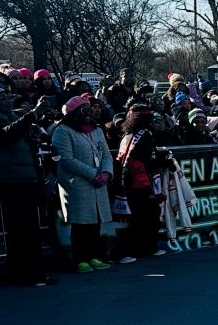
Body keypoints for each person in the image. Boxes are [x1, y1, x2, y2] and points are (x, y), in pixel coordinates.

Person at [0, 84, 57, 285]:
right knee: (22, 231)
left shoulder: (14, 120)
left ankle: (24, 273)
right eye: (2, 98)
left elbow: (21, 139)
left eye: (8, 97)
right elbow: (7, 136)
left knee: (28, 230)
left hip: (25, 180)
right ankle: (28, 274)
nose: (8, 100)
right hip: (9, 182)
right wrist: (32, 114)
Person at [53, 96, 113, 272]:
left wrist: (106, 173)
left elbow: (107, 155)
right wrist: (93, 174)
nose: (89, 113)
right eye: (85, 110)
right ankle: (81, 258)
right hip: (77, 182)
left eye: (90, 109)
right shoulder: (63, 131)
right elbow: (66, 158)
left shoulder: (97, 131)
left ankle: (95, 255)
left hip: (99, 182)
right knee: (81, 223)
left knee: (96, 221)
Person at [113, 103, 166, 262]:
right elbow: (147, 160)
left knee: (142, 216)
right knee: (143, 217)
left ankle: (146, 249)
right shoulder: (146, 134)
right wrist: (164, 162)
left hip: (127, 180)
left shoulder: (127, 135)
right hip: (140, 182)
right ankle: (122, 253)